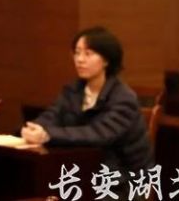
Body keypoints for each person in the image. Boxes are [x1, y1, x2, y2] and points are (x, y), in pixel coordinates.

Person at [22, 27, 153, 183]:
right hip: (85, 169)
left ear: (106, 60)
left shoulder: (123, 98)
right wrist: (34, 128)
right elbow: (52, 115)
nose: (80, 59)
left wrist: (48, 134)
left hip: (123, 178)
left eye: (88, 54)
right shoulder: (73, 90)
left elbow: (99, 134)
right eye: (77, 53)